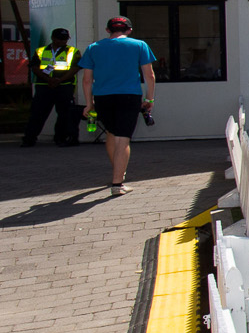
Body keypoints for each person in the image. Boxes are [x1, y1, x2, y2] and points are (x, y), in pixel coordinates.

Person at [78, 15, 157, 197]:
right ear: (129, 30)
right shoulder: (139, 45)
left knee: (112, 133)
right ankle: (117, 183)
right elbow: (149, 75)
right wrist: (150, 99)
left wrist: (89, 104)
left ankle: (118, 171)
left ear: (108, 30)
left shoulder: (93, 48)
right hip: (129, 96)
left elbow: (87, 80)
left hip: (103, 98)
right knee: (123, 139)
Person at [21, 27, 80, 149]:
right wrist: (48, 79)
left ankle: (61, 138)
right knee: (37, 113)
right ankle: (29, 139)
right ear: (53, 38)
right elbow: (34, 67)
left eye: (65, 39)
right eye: (60, 39)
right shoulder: (40, 51)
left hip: (64, 86)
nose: (63, 41)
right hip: (44, 86)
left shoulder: (73, 51)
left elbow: (75, 68)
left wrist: (59, 80)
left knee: (64, 114)